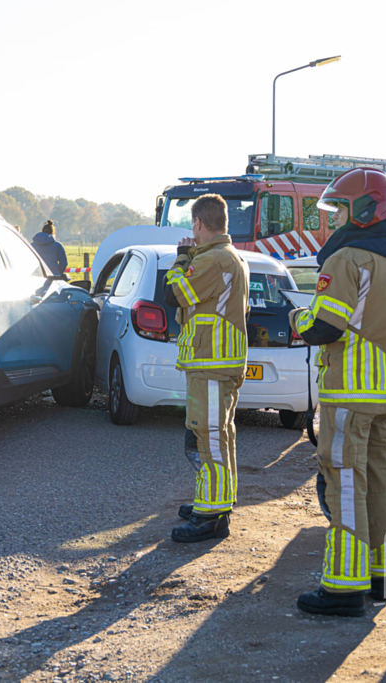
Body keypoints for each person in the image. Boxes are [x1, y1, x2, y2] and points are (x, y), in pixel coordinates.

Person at [289, 168, 386, 617]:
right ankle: (379, 576)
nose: (335, 219)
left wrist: (297, 322)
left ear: (365, 209)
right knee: (379, 483)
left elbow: (324, 325)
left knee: (346, 484)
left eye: (341, 209)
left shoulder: (346, 258)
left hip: (349, 391)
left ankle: (344, 588)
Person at [163, 194, 250, 543]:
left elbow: (174, 293)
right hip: (217, 361)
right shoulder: (227, 256)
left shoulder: (213, 259)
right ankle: (216, 500)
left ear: (199, 223)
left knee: (209, 436)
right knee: (219, 434)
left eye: (193, 226)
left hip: (212, 362)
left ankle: (211, 516)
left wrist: (182, 258)